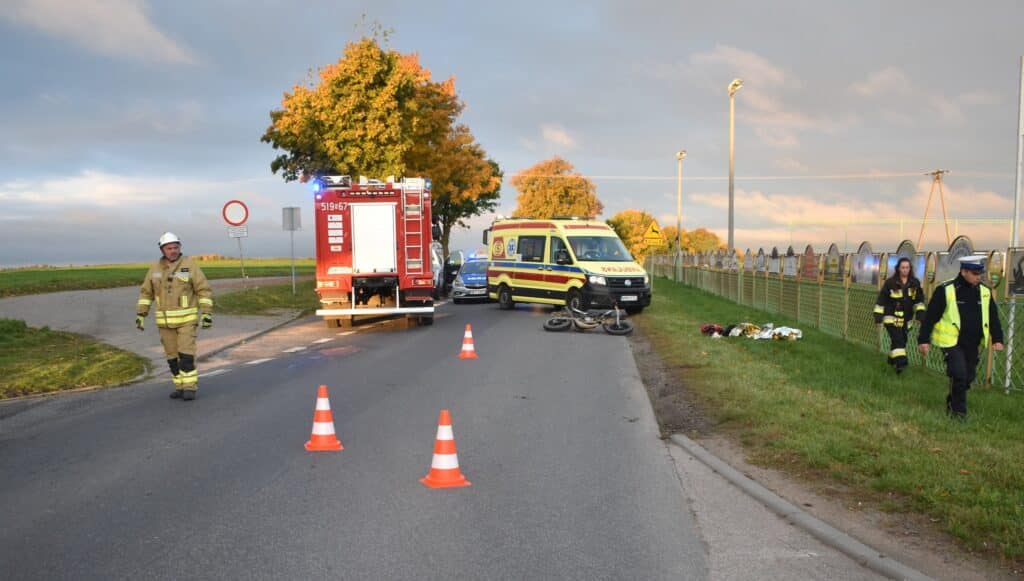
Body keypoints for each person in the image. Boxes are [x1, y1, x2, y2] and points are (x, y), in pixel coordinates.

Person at [917, 255, 1004, 419]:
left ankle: (952, 402)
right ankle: (958, 414)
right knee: (959, 374)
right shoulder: (946, 290)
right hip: (951, 342)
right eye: (975, 273)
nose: (978, 277)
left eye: (980, 274)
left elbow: (993, 317)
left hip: (973, 343)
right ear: (963, 271)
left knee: (968, 377)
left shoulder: (985, 292)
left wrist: (998, 339)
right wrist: (923, 340)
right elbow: (930, 317)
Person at [136, 232, 214, 400]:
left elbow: (204, 290)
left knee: (186, 355)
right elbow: (145, 293)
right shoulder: (155, 270)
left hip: (187, 321)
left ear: (180, 247)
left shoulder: (189, 266)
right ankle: (179, 386)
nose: (173, 250)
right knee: (172, 358)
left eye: (175, 247)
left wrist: (206, 313)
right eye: (169, 248)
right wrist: (141, 314)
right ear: (162, 249)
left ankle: (189, 388)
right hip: (165, 324)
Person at [873, 257, 926, 373]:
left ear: (910, 269)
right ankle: (901, 364)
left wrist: (920, 315)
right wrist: (878, 317)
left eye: (907, 267)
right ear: (898, 269)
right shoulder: (890, 283)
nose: (905, 270)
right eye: (903, 267)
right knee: (898, 340)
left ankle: (892, 360)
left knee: (902, 340)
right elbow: (881, 300)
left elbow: (919, 301)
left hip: (906, 320)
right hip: (891, 318)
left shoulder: (915, 283)